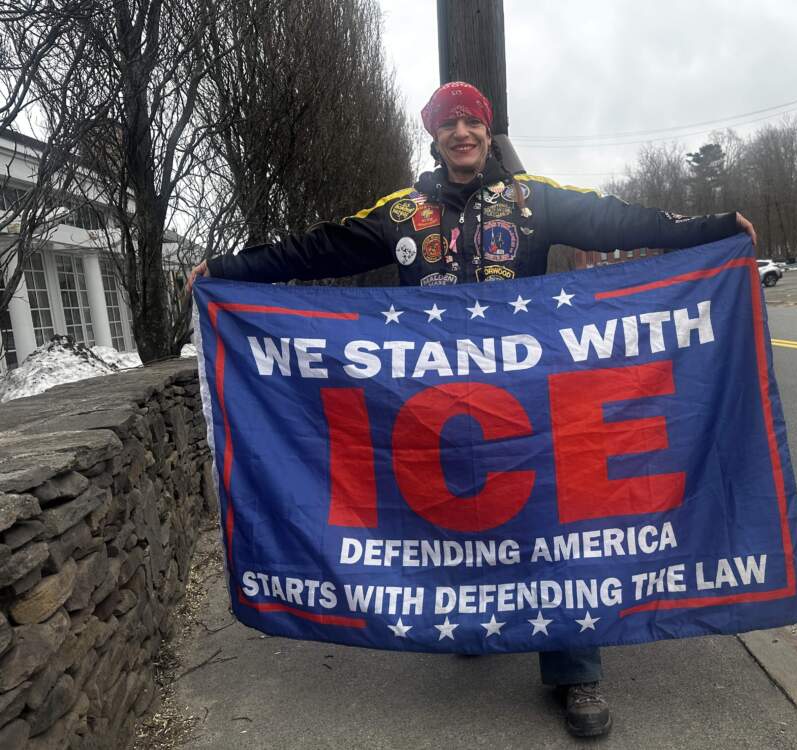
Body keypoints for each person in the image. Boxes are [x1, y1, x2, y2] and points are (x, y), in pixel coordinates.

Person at [189, 81, 756, 738]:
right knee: (450, 521)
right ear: (433, 135)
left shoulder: (531, 199)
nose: (463, 132)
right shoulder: (402, 213)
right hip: (435, 410)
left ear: (488, 131)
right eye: (449, 122)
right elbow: (317, 249)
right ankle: (464, 621)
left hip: (532, 407)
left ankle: (575, 669)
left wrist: (712, 230)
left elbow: (619, 220)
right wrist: (228, 269)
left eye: (473, 122)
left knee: (551, 524)